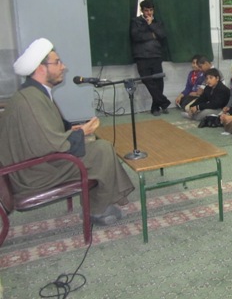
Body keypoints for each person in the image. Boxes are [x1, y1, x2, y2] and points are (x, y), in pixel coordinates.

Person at [0, 38, 134, 226]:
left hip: (34, 165)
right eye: (57, 62)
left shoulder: (34, 93)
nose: (64, 67)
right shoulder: (31, 100)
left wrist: (73, 130)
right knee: (101, 150)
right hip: (33, 174)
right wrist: (80, 133)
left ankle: (99, 204)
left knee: (94, 145)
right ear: (41, 69)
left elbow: (46, 131)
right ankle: (97, 209)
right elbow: (49, 143)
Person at [130, 0, 171, 116]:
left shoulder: (157, 22)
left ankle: (155, 107)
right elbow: (136, 36)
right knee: (146, 80)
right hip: (142, 56)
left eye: (151, 10)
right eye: (146, 10)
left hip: (156, 55)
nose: (149, 13)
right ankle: (164, 102)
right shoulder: (136, 21)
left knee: (159, 82)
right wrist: (152, 35)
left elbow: (162, 35)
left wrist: (151, 25)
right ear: (142, 11)